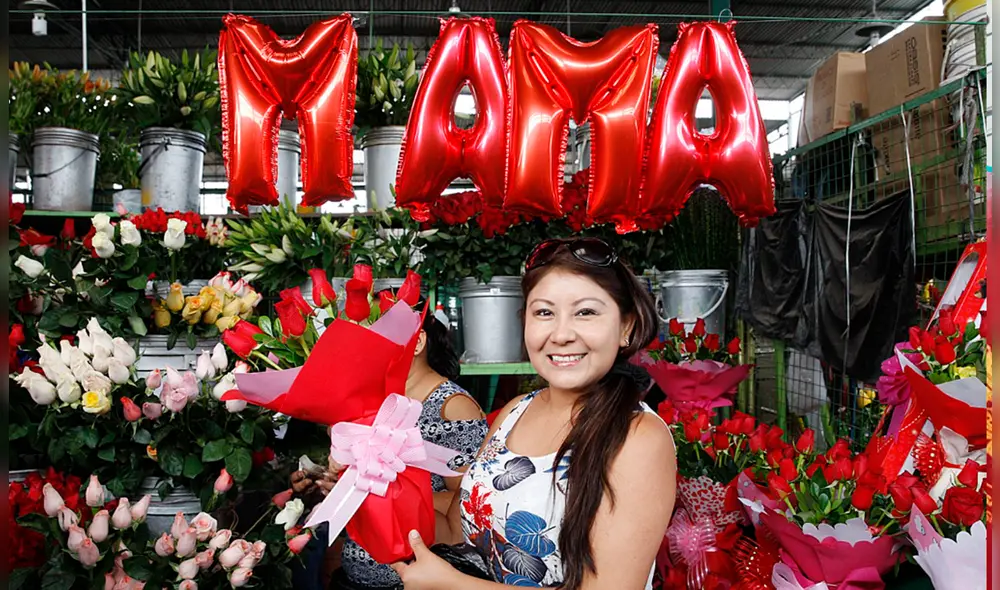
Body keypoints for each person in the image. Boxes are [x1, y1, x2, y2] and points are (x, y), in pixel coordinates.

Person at [390, 238, 677, 589]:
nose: (561, 334)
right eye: (544, 312)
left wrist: (454, 586)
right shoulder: (515, 411)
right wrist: (371, 479)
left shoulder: (639, 437)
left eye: (586, 312)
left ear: (626, 327)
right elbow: (455, 533)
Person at [291, 298, 489, 590]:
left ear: (418, 342)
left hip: (419, 576)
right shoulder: (377, 403)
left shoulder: (453, 406)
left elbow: (467, 503)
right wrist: (335, 486)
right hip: (357, 574)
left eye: (379, 339)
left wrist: (368, 495)